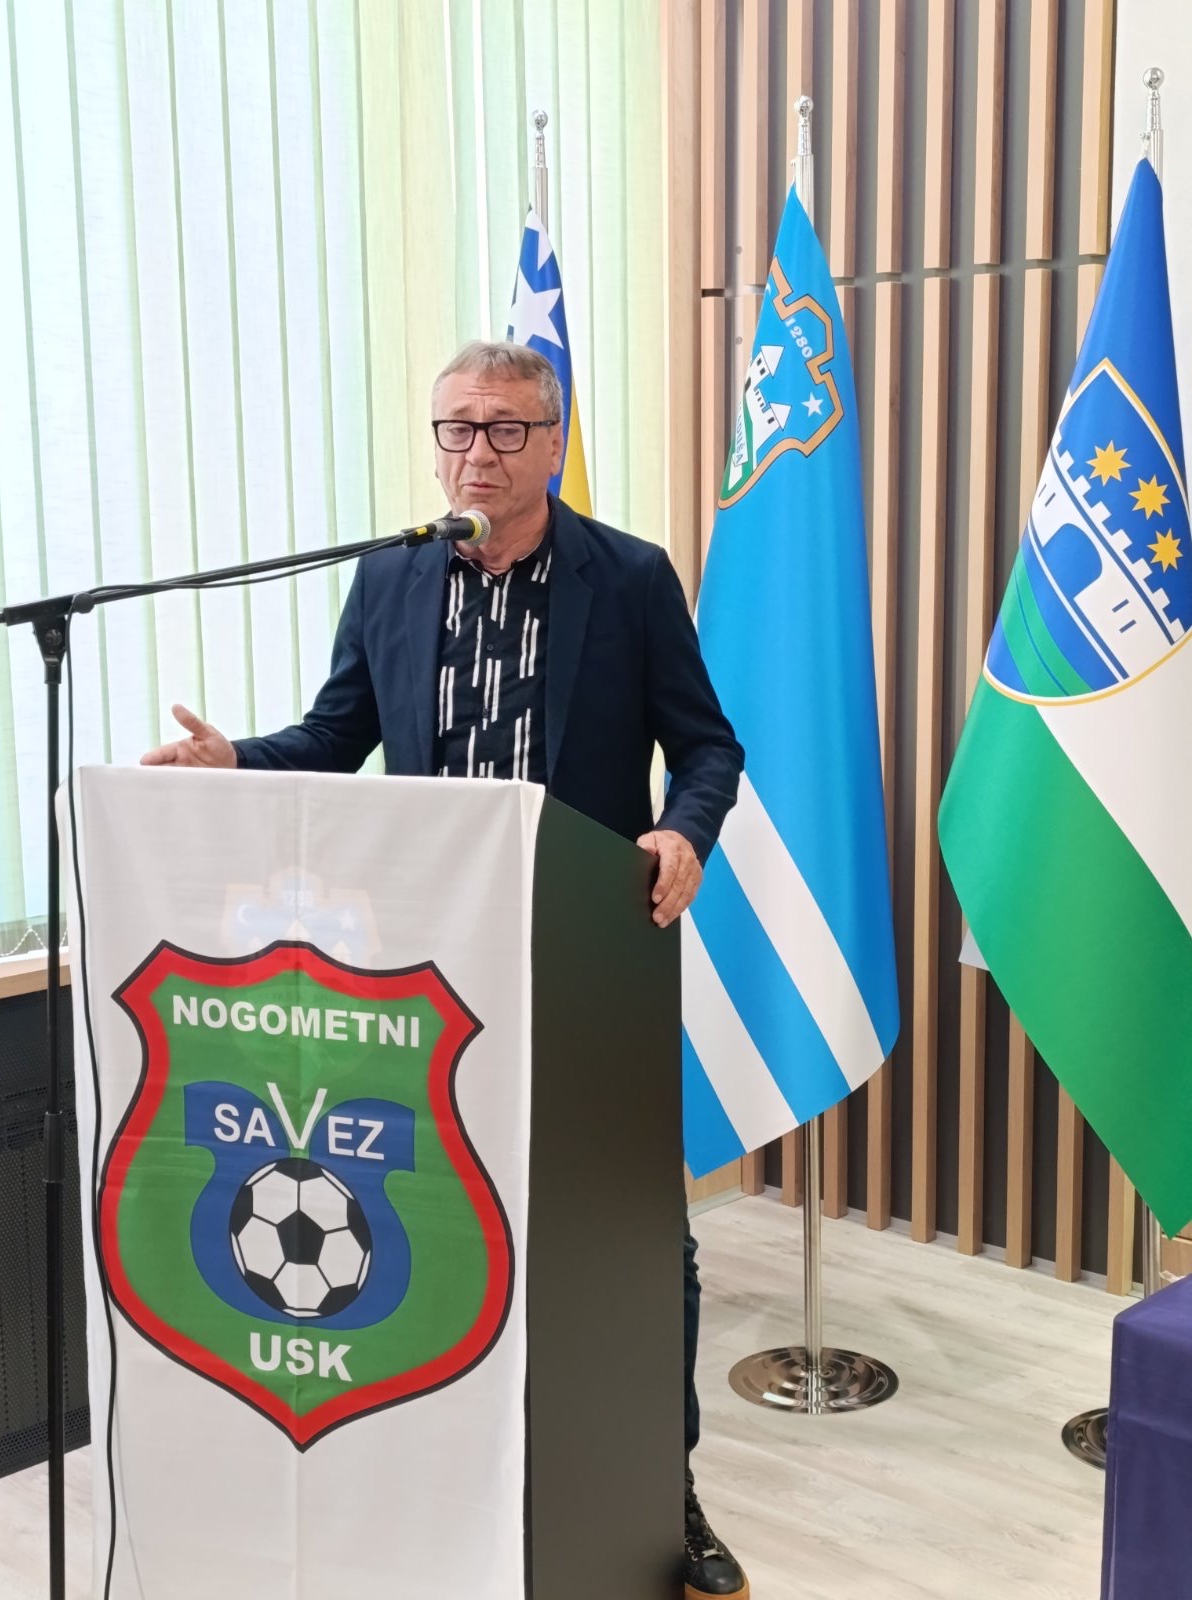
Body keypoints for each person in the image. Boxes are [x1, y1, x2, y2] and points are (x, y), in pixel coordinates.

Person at [142, 340, 749, 1600]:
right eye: (456, 427)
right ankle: (450, 1475)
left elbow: (705, 747)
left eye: (506, 427)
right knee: (446, 1220)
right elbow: (336, 736)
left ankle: (663, 1484)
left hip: (585, 961)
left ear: (552, 442)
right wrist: (235, 762)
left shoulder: (628, 577)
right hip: (433, 970)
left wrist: (682, 833)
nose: (477, 449)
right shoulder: (391, 576)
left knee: (643, 1243)